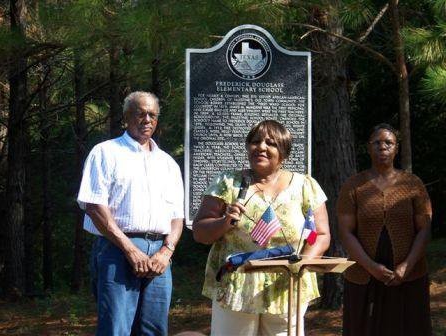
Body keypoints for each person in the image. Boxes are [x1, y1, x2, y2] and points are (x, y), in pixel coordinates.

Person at [193, 120, 330, 336]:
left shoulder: (305, 185)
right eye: (255, 142)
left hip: (287, 285)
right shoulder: (228, 182)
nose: (261, 147)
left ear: (284, 152)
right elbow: (200, 232)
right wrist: (224, 221)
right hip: (236, 285)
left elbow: (321, 234)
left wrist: (301, 264)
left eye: (271, 143)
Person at [77, 91, 184, 336]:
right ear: (127, 117)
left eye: (152, 115)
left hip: (160, 254)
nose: (147, 119)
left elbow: (177, 215)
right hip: (116, 249)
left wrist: (167, 251)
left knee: (154, 330)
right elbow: (94, 206)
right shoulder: (105, 152)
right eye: (140, 113)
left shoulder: (168, 163)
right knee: (116, 329)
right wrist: (130, 249)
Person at [337, 123, 432, 336]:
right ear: (368, 148)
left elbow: (424, 229)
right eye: (377, 142)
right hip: (364, 273)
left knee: (409, 327)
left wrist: (406, 267)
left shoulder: (412, 183)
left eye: (388, 142)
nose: (383, 147)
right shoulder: (353, 186)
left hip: (408, 274)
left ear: (396, 148)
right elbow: (346, 232)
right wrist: (371, 267)